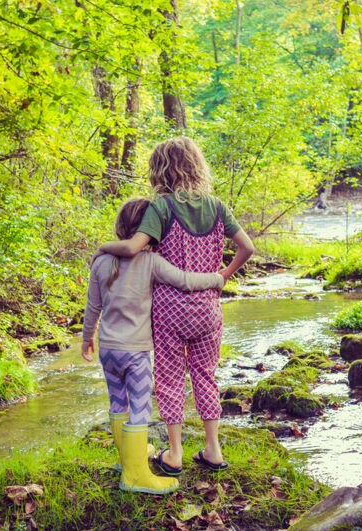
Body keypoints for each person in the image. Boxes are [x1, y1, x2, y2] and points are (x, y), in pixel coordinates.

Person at [98, 136, 255, 476]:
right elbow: (248, 247)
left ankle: (175, 453)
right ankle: (213, 449)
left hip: (169, 309)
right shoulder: (216, 206)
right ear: (196, 166)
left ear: (161, 170)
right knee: (205, 375)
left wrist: (104, 246)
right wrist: (224, 274)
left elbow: (133, 247)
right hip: (208, 308)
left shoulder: (162, 208)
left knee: (169, 378)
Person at [82, 198, 226, 495]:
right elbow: (185, 281)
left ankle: (127, 459)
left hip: (108, 348)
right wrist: (216, 278)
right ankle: (136, 476)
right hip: (135, 353)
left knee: (117, 403)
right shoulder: (150, 262)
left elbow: (92, 306)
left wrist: (87, 338)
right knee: (140, 408)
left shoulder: (101, 260)